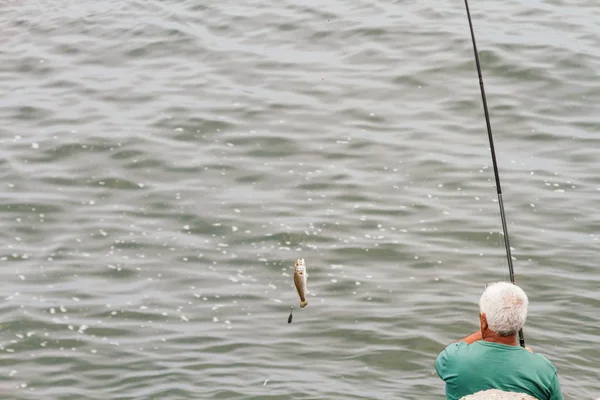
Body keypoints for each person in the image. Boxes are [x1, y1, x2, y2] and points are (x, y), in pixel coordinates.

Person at [435, 282, 563, 400]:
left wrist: (490, 325)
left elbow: (452, 350)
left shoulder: (453, 358)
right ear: (521, 322)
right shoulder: (543, 369)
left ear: (483, 320)